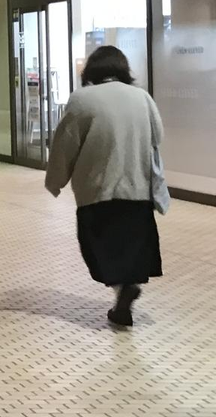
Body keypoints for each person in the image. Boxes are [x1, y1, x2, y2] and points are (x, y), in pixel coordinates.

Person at [45, 45, 165, 328]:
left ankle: (122, 290)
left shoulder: (82, 99)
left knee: (99, 248)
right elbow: (157, 136)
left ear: (91, 70)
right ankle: (126, 292)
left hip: (97, 189)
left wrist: (55, 181)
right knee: (131, 247)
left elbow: (66, 144)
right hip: (137, 189)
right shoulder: (142, 97)